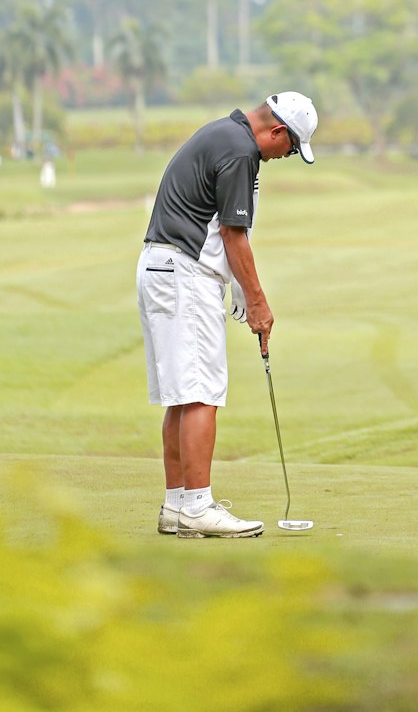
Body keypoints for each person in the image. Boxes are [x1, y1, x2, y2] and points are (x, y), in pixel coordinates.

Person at [136, 92, 318, 540]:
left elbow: (223, 228)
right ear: (277, 131)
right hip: (184, 273)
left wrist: (237, 287)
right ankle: (198, 505)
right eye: (291, 148)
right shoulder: (240, 152)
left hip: (161, 266)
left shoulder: (223, 133)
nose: (286, 156)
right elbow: (233, 235)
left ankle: (177, 505)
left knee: (183, 392)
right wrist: (257, 301)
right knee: (201, 392)